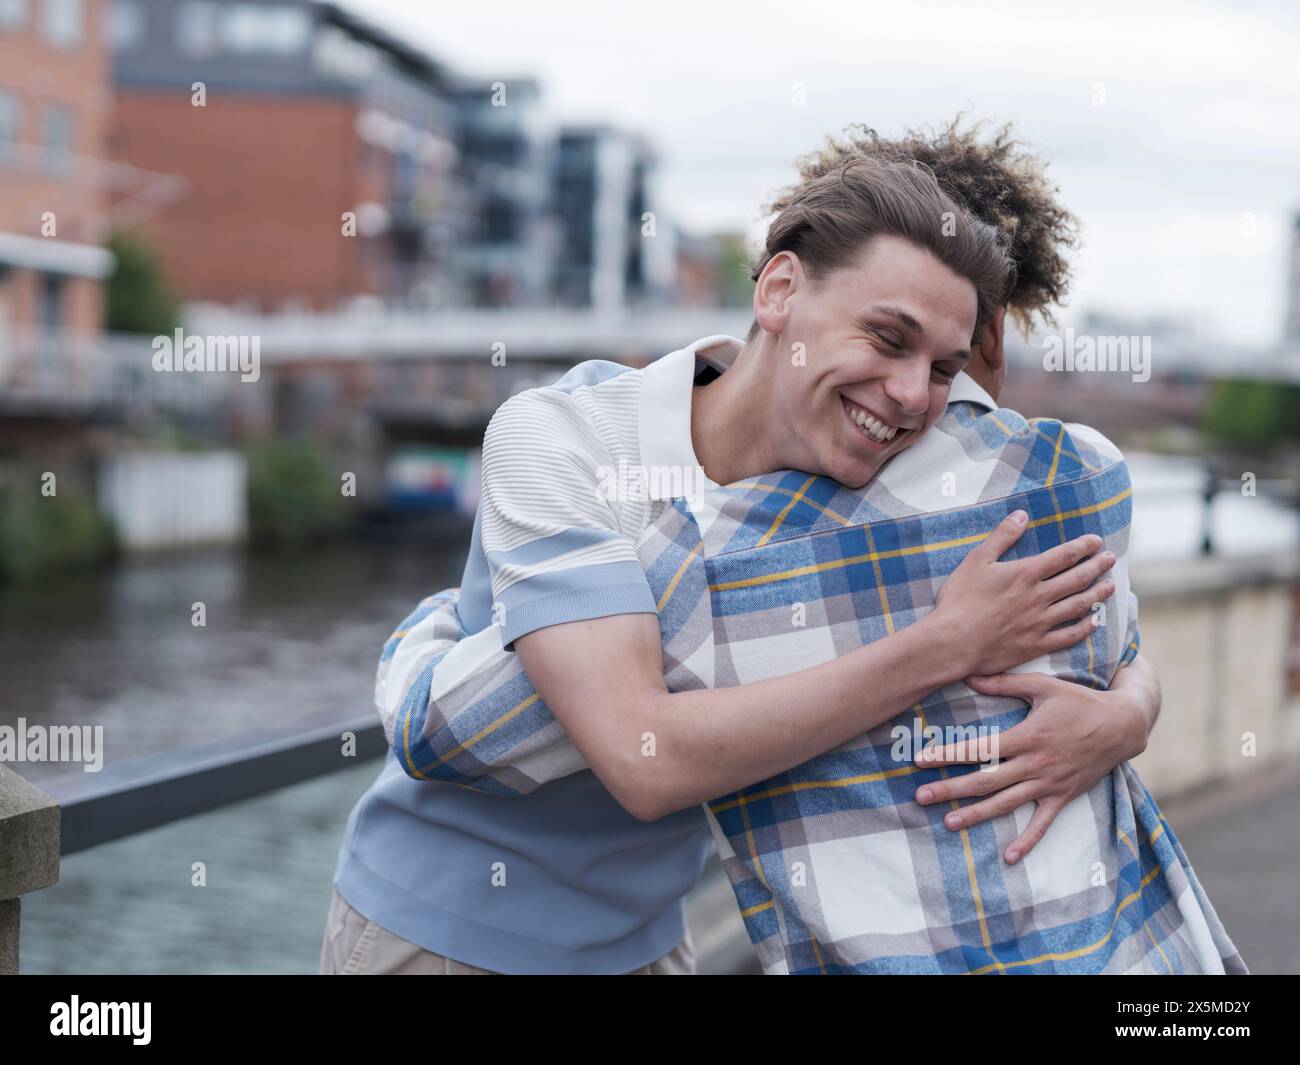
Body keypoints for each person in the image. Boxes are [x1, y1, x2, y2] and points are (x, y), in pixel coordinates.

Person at [322, 124, 1160, 976]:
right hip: (448, 934)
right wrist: (944, 645)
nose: (914, 395)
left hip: (649, 934)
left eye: (947, 370)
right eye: (887, 337)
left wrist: (1127, 716)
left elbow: (1109, 633)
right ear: (780, 291)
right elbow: (640, 753)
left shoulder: (873, 479)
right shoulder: (566, 438)